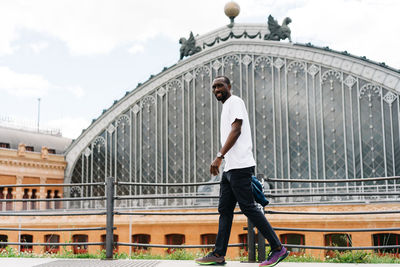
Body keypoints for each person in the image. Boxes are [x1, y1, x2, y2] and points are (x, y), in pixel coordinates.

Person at [195, 76, 288, 267]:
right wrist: (224, 160)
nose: (216, 89)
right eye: (213, 87)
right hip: (230, 168)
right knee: (225, 211)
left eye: (220, 85)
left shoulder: (235, 101)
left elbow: (236, 130)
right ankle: (219, 254)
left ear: (229, 86)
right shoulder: (226, 105)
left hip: (240, 166)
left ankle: (278, 248)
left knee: (248, 207)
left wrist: (219, 155)